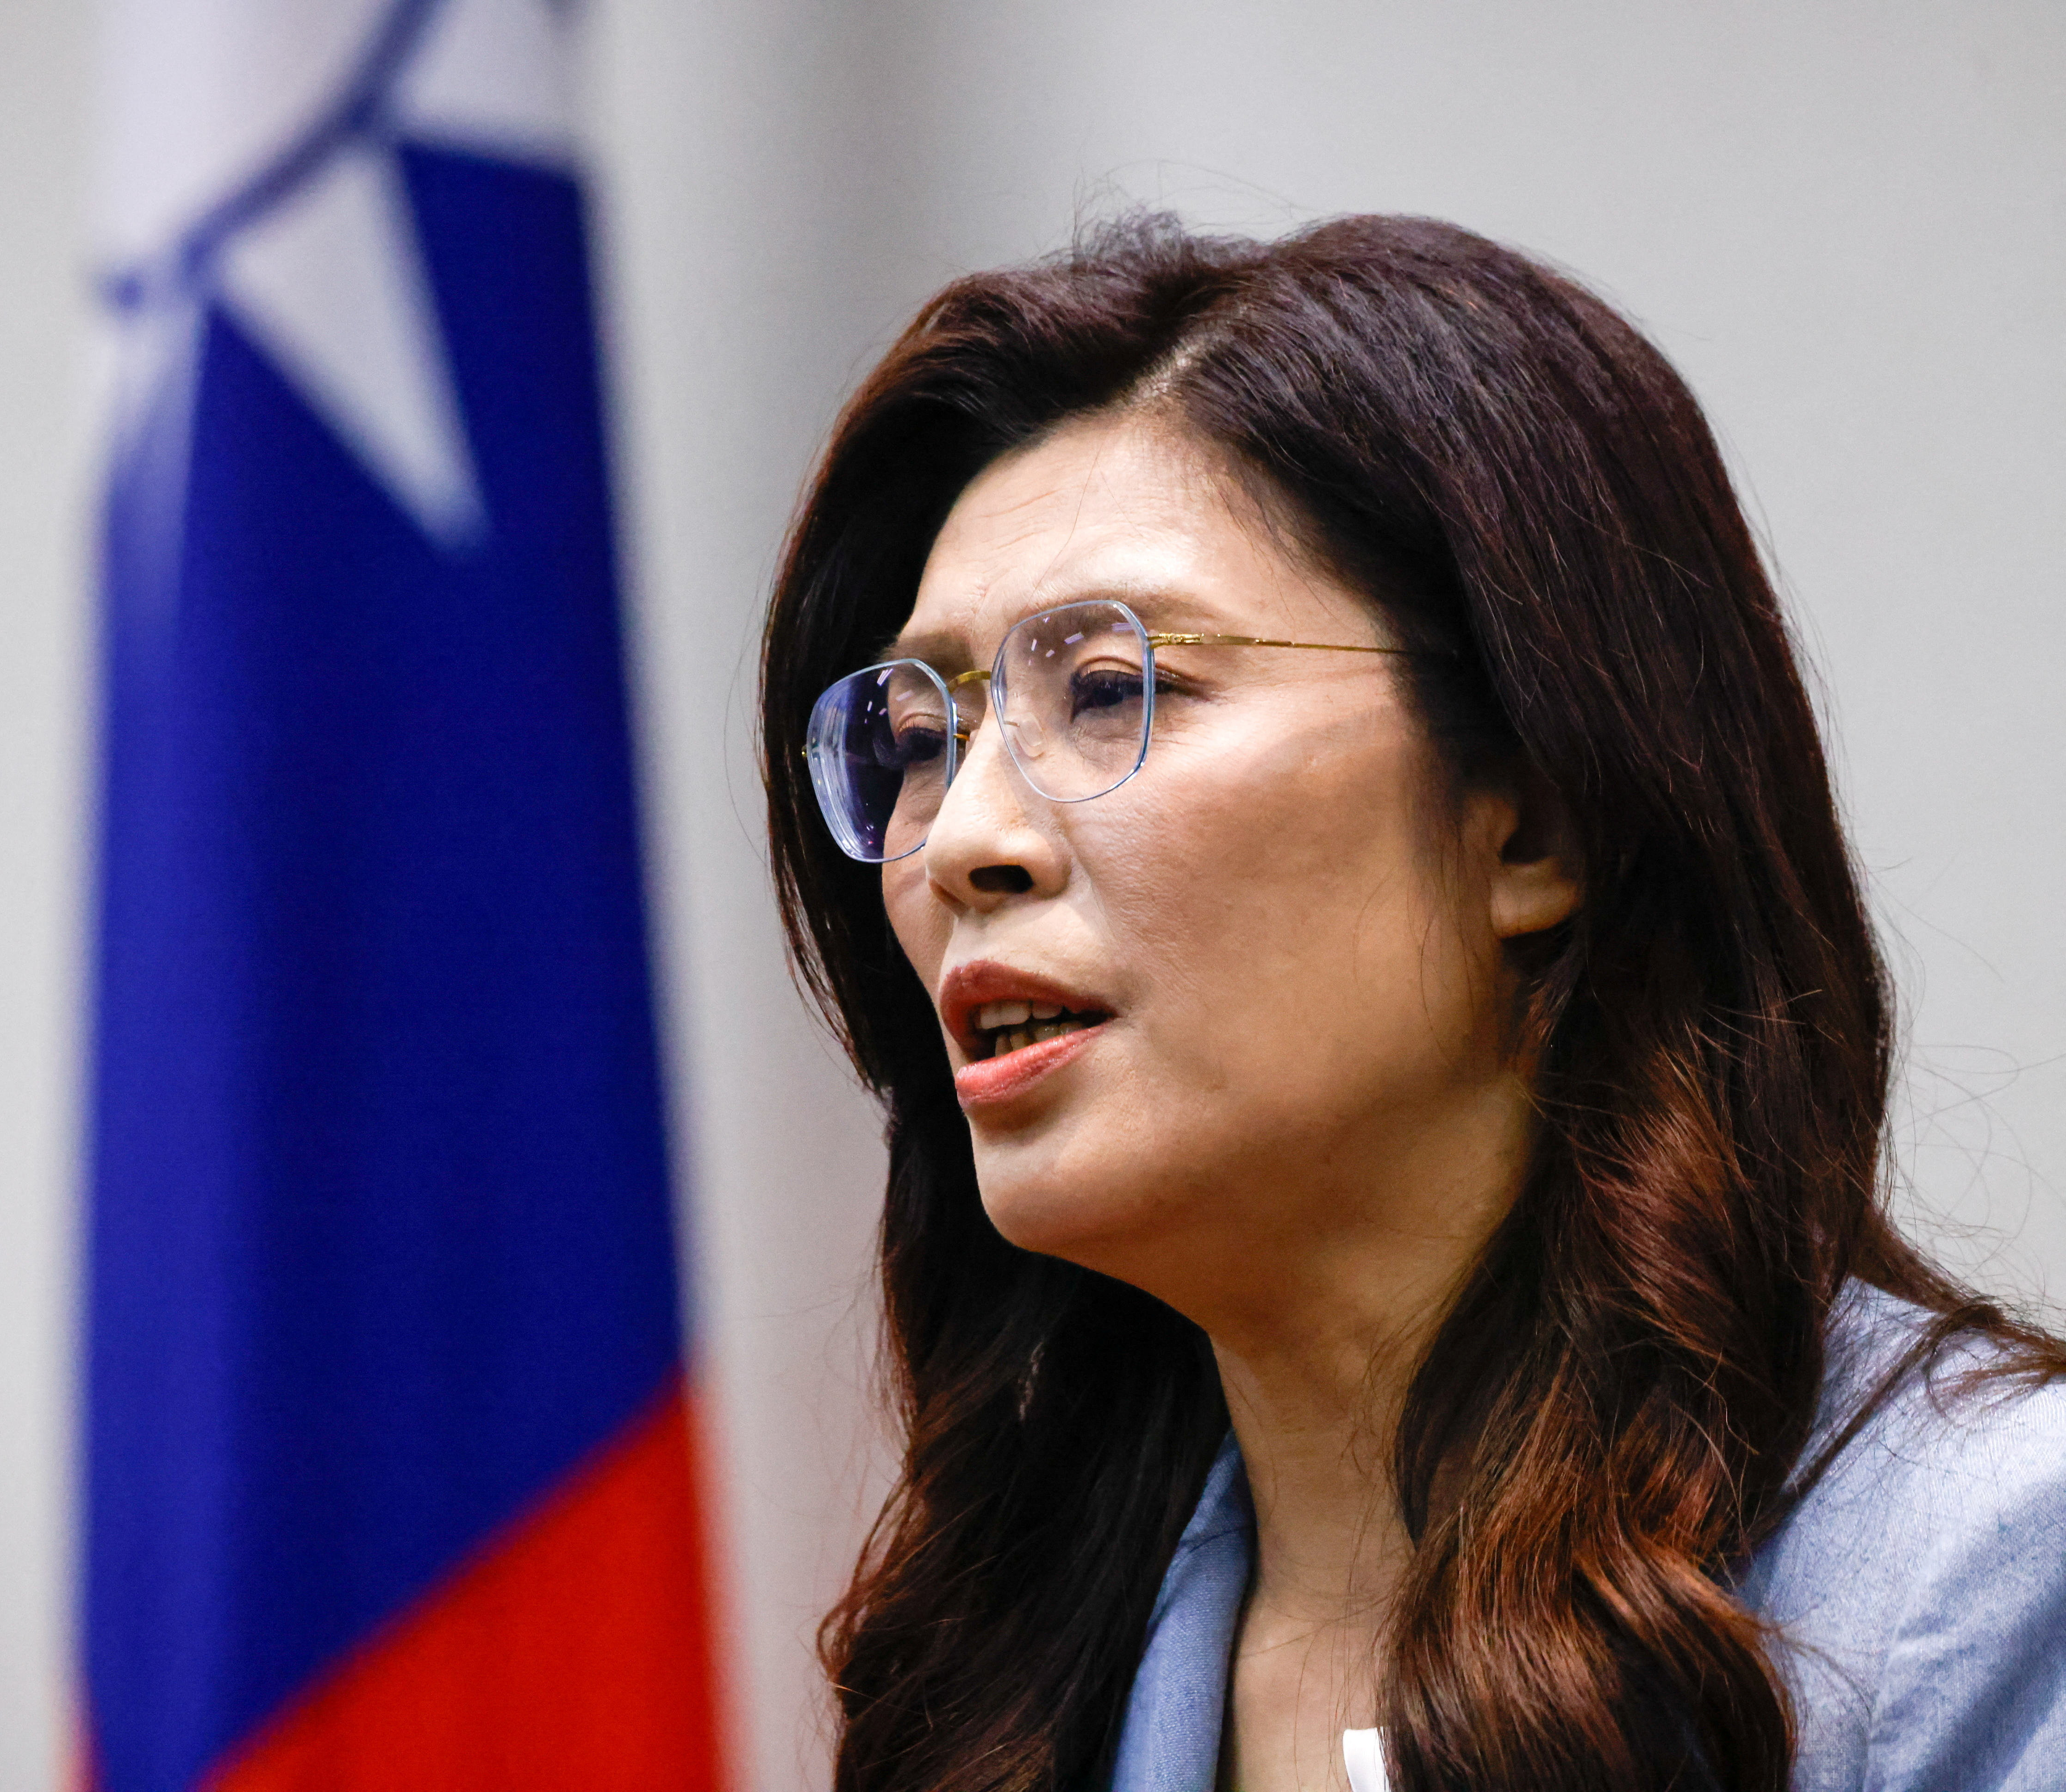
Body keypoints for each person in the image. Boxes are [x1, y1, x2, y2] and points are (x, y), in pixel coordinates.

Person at [757, 212, 2066, 1792]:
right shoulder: (1013, 1669)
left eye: (1109, 690)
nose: (963, 840)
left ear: (1535, 822)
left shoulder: (1995, 1571)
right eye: (920, 742)